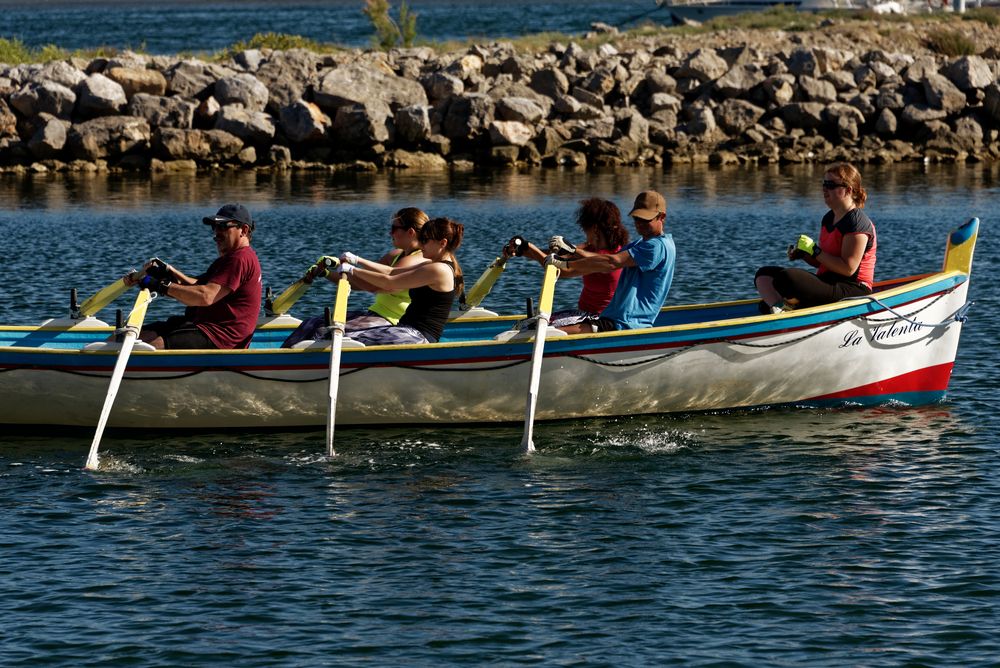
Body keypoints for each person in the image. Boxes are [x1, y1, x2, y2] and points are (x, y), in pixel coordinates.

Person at [127, 203, 262, 349]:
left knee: (153, 345)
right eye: (214, 227)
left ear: (244, 229)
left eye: (223, 226)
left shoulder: (240, 258)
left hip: (221, 338)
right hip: (205, 327)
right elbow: (197, 286)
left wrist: (159, 285)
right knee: (133, 335)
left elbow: (205, 296)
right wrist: (167, 273)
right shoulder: (229, 259)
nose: (216, 233)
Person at [291, 208, 429, 341]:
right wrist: (325, 272)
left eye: (394, 229)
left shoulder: (417, 260)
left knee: (323, 332)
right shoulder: (394, 255)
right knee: (310, 324)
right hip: (375, 313)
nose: (390, 233)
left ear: (410, 232)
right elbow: (359, 283)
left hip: (393, 321)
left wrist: (345, 267)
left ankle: (299, 362)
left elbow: (374, 287)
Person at [755, 163, 877, 313]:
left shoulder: (857, 222)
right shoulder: (828, 218)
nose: (825, 189)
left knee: (786, 278)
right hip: (829, 282)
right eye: (824, 184)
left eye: (831, 185)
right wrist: (804, 255)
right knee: (763, 275)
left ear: (848, 190)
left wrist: (815, 250)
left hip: (853, 288)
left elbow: (848, 269)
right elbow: (823, 263)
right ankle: (782, 309)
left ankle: (791, 307)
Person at [324, 217, 465, 346]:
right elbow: (390, 271)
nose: (421, 245)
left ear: (442, 243)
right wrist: (357, 260)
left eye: (425, 240)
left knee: (345, 340)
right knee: (337, 335)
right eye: (420, 239)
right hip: (405, 329)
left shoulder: (438, 270)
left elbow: (389, 282)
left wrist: (352, 270)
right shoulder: (432, 265)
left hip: (418, 336)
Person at [551, 190, 676, 334]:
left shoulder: (656, 246)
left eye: (645, 219)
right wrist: (571, 252)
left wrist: (566, 264)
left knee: (553, 333)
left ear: (662, 217)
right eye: (637, 218)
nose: (639, 224)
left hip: (625, 323)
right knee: (551, 327)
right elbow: (603, 260)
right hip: (613, 318)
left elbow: (612, 262)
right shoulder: (641, 243)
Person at [502, 197, 629, 328]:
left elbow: (562, 271)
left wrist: (531, 247)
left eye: (584, 227)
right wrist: (520, 250)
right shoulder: (590, 248)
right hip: (583, 314)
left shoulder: (611, 258)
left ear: (595, 228)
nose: (583, 231)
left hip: (599, 318)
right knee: (526, 325)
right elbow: (556, 255)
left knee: (534, 327)